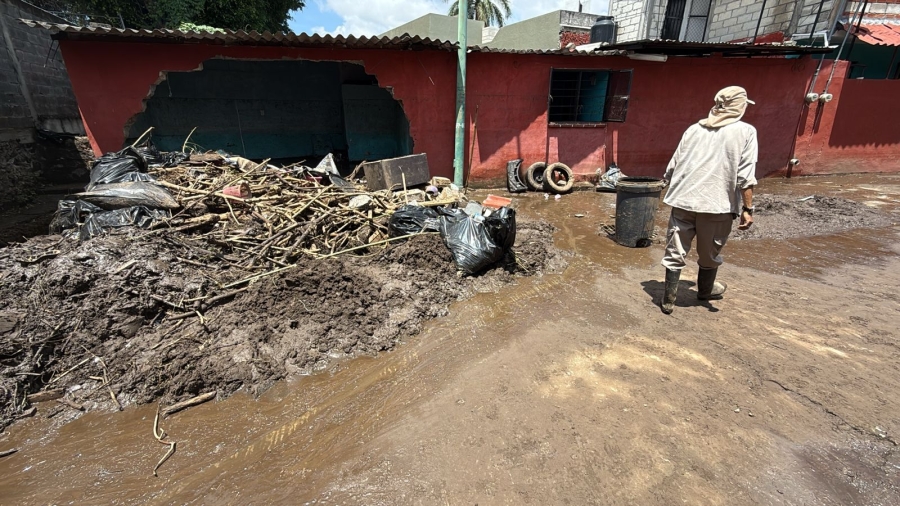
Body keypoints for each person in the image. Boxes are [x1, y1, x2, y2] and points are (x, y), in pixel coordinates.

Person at [659, 86, 757, 314]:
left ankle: (668, 300)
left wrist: (666, 184)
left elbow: (673, 165)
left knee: (675, 249)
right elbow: (745, 174)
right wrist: (748, 208)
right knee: (710, 252)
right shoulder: (746, 132)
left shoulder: (694, 129)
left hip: (683, 200)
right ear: (738, 107)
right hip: (717, 204)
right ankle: (704, 291)